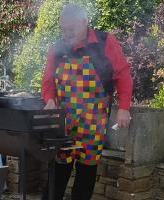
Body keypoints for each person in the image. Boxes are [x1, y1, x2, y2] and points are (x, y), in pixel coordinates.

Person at [41, 4, 133, 200]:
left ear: (84, 23)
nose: (66, 34)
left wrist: (124, 108)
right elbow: (48, 80)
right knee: (59, 167)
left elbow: (122, 74)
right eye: (63, 30)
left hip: (94, 120)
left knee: (86, 171)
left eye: (71, 29)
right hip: (64, 120)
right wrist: (49, 99)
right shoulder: (57, 49)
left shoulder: (105, 41)